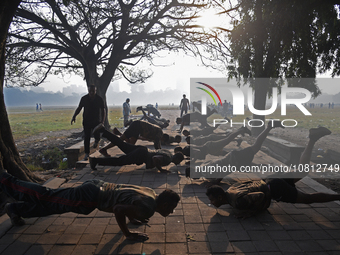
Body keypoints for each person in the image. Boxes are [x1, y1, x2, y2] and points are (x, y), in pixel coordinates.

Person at [0, 171, 179, 241]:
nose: (170, 213)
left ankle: (16, 209)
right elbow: (118, 209)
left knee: (54, 205)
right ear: (163, 203)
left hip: (96, 186)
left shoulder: (150, 192)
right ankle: (7, 181)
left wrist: (132, 217)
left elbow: (127, 201)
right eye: (170, 209)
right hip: (91, 196)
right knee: (47, 195)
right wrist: (128, 234)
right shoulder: (147, 208)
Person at [206, 126, 337, 219]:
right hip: (270, 180)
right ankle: (312, 138)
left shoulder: (238, 203)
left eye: (212, 200)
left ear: (219, 198)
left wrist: (250, 212)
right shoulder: (230, 190)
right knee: (301, 171)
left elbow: (261, 196)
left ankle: (338, 197)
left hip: (275, 189)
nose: (211, 203)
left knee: (307, 199)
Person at [90, 125, 184, 172]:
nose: (177, 163)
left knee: (120, 143)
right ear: (177, 159)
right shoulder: (168, 159)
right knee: (120, 161)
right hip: (141, 155)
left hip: (142, 150)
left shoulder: (168, 152)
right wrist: (161, 170)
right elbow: (155, 158)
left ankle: (103, 131)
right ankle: (95, 161)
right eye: (178, 162)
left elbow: (157, 152)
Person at [71, 85, 105, 160]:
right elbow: (79, 108)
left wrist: (102, 121)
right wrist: (74, 116)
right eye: (90, 91)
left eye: (93, 91)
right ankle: (87, 153)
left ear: (95, 91)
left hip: (96, 121)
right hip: (86, 121)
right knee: (87, 137)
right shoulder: (84, 98)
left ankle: (97, 141)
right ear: (88, 90)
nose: (92, 93)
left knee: (97, 134)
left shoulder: (99, 99)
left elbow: (103, 110)